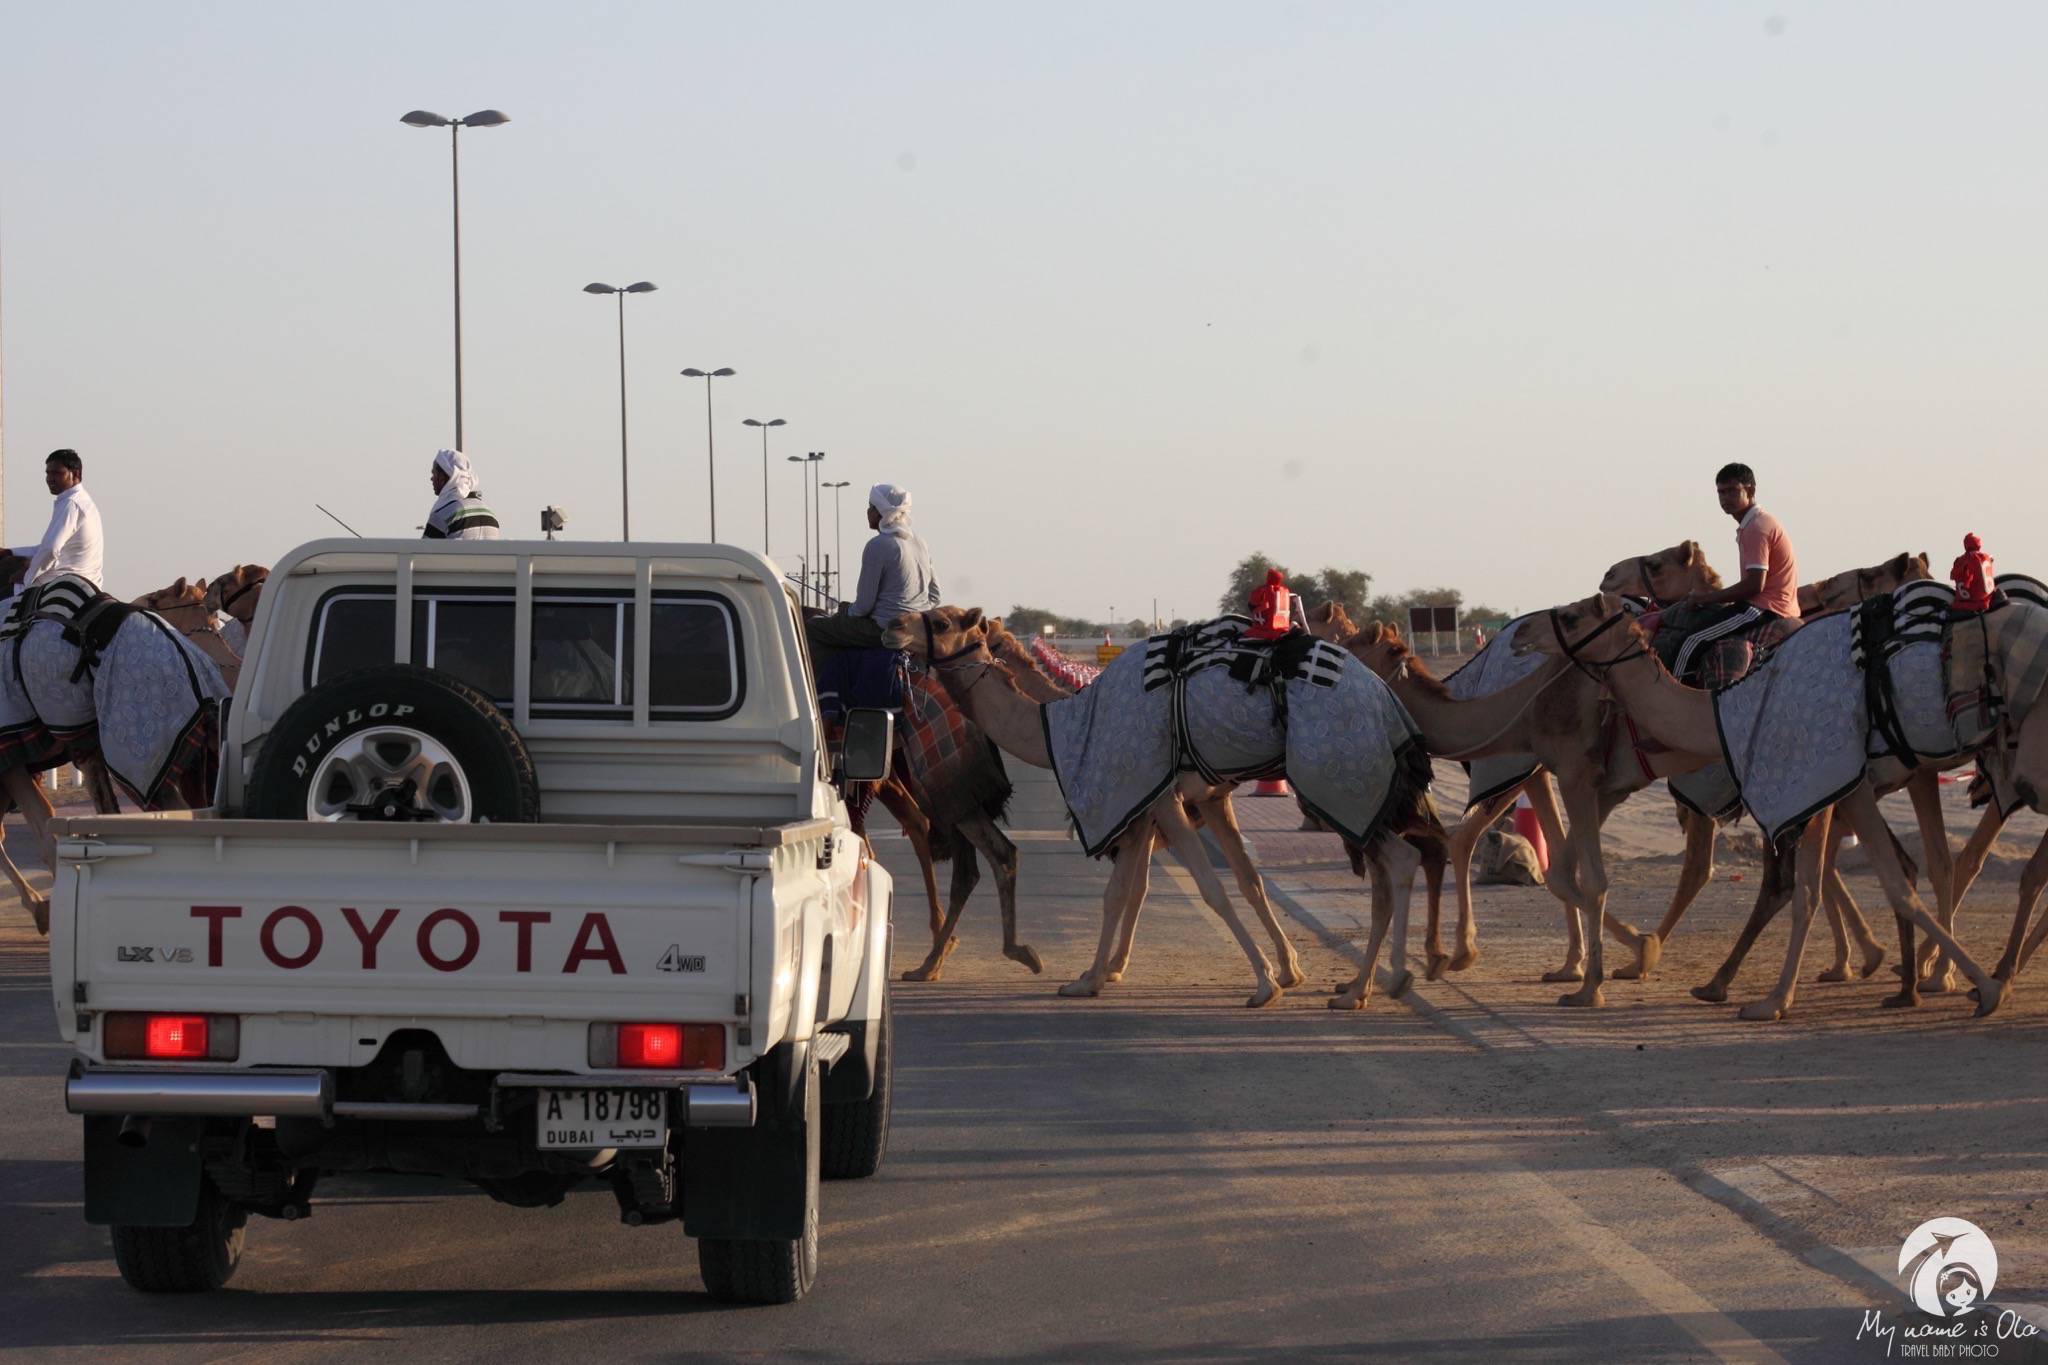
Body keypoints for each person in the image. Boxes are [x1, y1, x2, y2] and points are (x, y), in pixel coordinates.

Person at [1672, 461, 1800, 678]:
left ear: (1750, 490)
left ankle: (1674, 698)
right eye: (1721, 492)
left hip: (1765, 608)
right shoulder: (1756, 523)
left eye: (1732, 491)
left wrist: (1706, 598)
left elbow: (1754, 585)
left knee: (1691, 641)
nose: (1724, 498)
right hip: (1770, 604)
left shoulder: (1756, 528)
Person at [806, 483, 940, 652]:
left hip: (883, 629)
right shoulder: (920, 542)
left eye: (871, 507)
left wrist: (845, 612)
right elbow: (935, 596)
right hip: (918, 630)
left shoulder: (877, 545)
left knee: (813, 627)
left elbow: (863, 607)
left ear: (881, 512)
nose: (868, 512)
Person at [8, 449, 104, 595]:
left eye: (57, 473)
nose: (50, 478)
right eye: (48, 473)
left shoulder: (71, 503)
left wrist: (27, 578)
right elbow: (45, 548)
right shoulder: (80, 500)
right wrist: (10, 552)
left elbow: (50, 549)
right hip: (88, 583)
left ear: (76, 474)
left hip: (64, 584)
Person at [423, 449, 502, 540]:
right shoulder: (490, 514)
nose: (431, 479)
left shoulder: (443, 515)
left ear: (442, 478)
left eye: (434, 474)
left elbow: (425, 552)